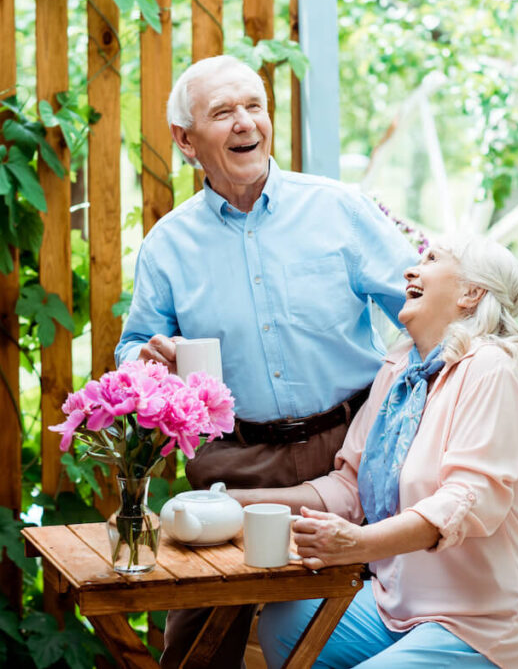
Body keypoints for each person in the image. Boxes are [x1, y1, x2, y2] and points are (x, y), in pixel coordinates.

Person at [115, 54, 423, 668]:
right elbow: (134, 349)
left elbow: (425, 309)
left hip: (351, 445)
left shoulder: (338, 209)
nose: (244, 123)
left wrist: (510, 376)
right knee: (201, 626)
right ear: (185, 140)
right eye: (222, 112)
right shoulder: (168, 244)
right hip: (236, 456)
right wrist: (156, 361)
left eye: (254, 106)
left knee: (371, 603)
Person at [230, 235, 518, 669]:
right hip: (405, 606)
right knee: (285, 624)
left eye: (431, 259)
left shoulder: (491, 370)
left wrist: (357, 543)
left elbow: (461, 502)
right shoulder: (401, 368)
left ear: (471, 293)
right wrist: (237, 501)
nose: (411, 271)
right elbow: (348, 487)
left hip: (496, 620)